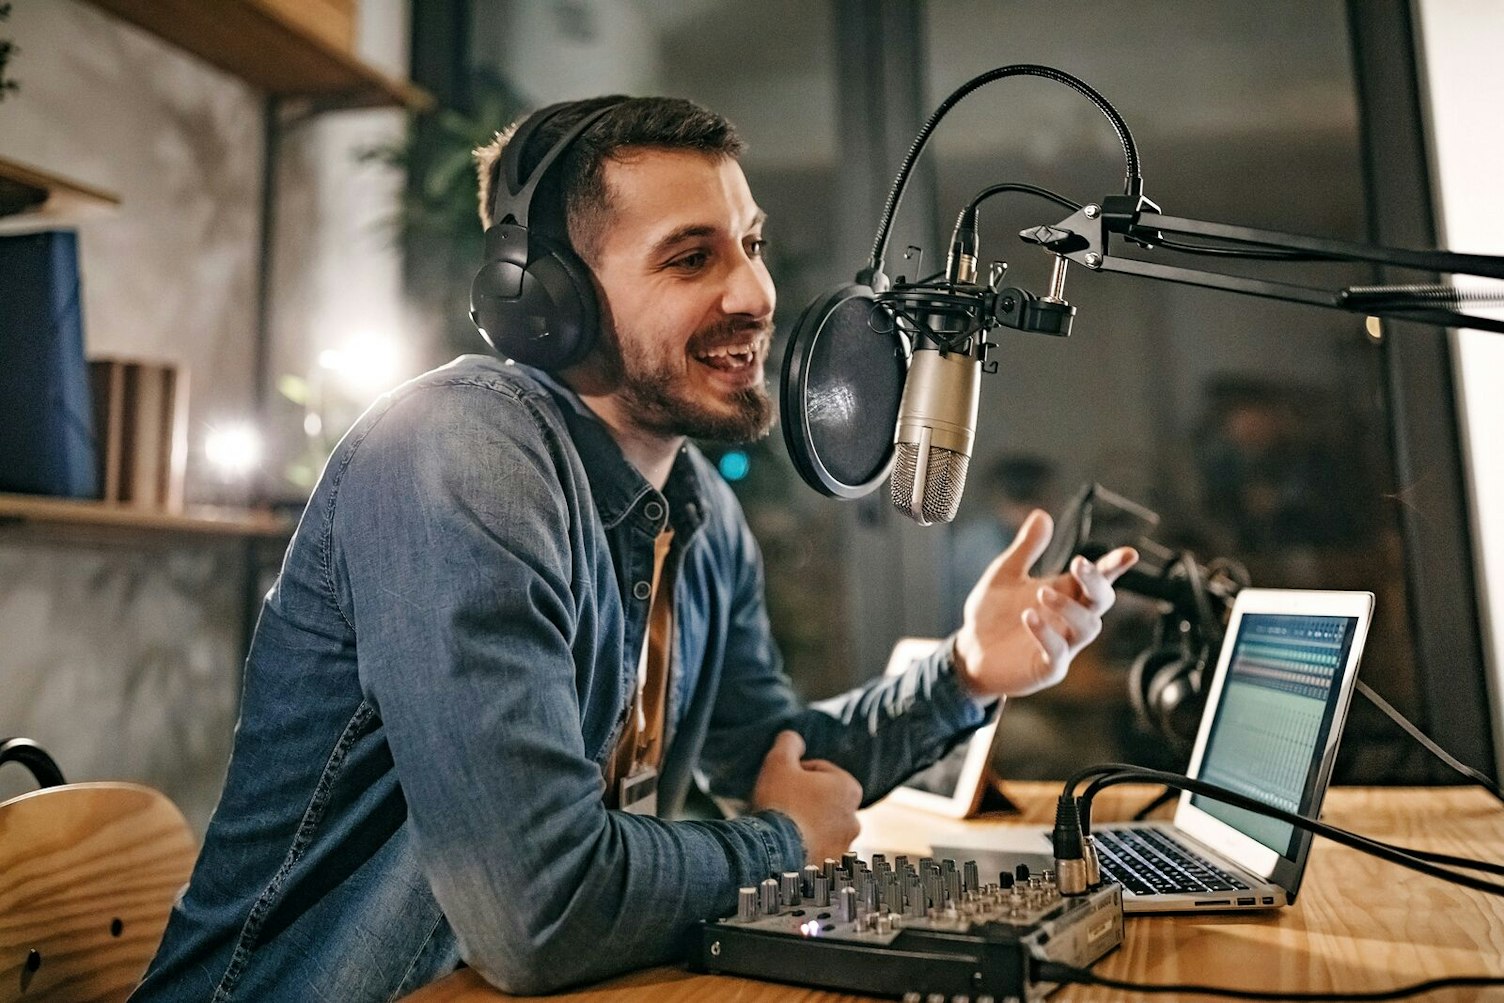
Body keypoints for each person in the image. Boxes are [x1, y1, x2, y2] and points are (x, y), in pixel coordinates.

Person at [133, 96, 1136, 1001]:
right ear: (546, 298)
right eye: (691, 257)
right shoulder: (458, 454)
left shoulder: (697, 508)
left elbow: (779, 761)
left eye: (752, 242)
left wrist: (963, 675)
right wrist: (781, 843)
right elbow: (539, 912)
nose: (756, 293)